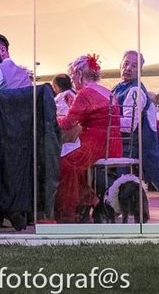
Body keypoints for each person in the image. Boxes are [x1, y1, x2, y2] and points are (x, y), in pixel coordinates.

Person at [55, 54, 122, 223]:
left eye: (72, 77)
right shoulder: (107, 92)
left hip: (95, 143)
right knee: (76, 165)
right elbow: (90, 116)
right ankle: (93, 202)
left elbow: (67, 124)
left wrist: (51, 117)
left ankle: (75, 210)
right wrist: (73, 105)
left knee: (62, 163)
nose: (72, 81)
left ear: (78, 74)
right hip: (113, 143)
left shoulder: (85, 93)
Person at [112, 50, 159, 194]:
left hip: (128, 146)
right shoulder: (118, 87)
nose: (128, 68)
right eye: (126, 64)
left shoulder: (135, 91)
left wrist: (105, 122)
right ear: (120, 65)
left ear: (140, 71)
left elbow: (129, 126)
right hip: (116, 142)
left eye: (134, 66)